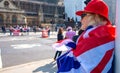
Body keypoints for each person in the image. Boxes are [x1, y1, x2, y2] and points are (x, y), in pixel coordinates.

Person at [57, 0, 115, 73]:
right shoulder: (103, 36)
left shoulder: (94, 40)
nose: (81, 20)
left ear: (95, 17)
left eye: (83, 16)